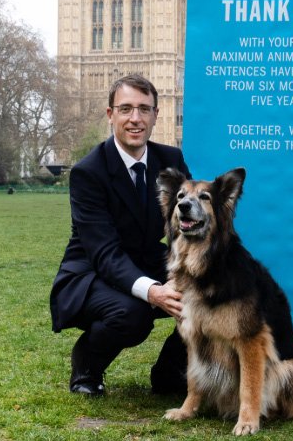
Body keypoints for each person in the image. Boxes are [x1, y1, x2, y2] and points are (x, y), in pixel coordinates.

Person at [50, 74, 189, 397]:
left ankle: (170, 374)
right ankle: (86, 366)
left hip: (148, 259)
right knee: (132, 315)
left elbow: (186, 227)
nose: (135, 119)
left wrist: (184, 275)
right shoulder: (89, 171)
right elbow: (104, 252)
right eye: (125, 109)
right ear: (110, 114)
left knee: (207, 292)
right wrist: (153, 291)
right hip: (91, 271)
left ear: (156, 115)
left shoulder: (171, 160)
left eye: (144, 109)